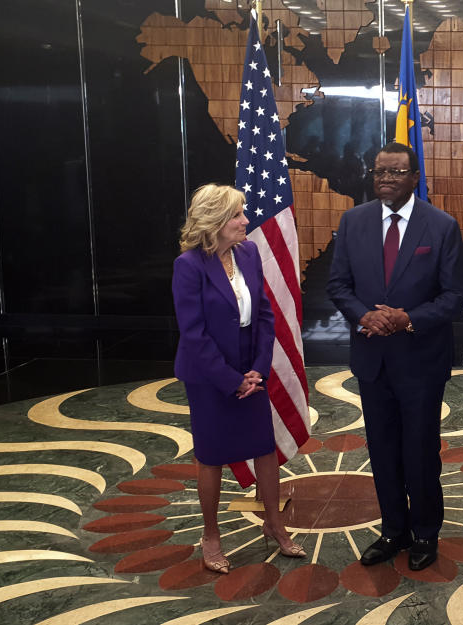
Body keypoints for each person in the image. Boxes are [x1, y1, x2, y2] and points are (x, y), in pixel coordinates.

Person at [327, 142, 463, 571]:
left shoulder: (441, 227)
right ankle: (393, 530)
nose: (385, 179)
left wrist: (407, 318)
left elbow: (455, 296)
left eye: (395, 172)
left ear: (414, 177)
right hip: (372, 360)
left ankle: (425, 532)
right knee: (383, 449)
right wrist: (365, 316)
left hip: (420, 361)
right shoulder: (353, 222)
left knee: (420, 450)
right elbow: (338, 286)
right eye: (379, 172)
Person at [172, 184, 306, 574]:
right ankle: (210, 536)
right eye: (237, 215)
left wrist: (258, 370)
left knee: (264, 449)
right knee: (211, 457)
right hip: (210, 378)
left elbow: (264, 315)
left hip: (251, 372)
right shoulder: (189, 266)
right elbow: (193, 334)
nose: (246, 221)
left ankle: (274, 524)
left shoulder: (248, 253)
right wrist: (232, 380)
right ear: (214, 221)